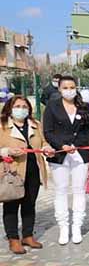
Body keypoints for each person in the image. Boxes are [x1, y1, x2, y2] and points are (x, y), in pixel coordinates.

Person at [43, 76, 89, 245]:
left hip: (80, 154)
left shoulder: (83, 106)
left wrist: (87, 151)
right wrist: (61, 145)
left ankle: (77, 226)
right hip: (60, 154)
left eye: (72, 87)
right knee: (61, 190)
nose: (69, 90)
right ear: (59, 89)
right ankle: (63, 228)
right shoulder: (52, 106)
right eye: (65, 87)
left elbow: (88, 132)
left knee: (79, 190)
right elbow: (48, 131)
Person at [0, 96, 54, 254]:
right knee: (11, 205)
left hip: (33, 169)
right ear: (10, 108)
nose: (21, 109)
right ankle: (13, 238)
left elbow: (43, 142)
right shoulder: (2, 126)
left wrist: (47, 148)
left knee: (30, 203)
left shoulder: (35, 125)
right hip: (13, 171)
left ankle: (28, 235)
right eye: (17, 106)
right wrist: (6, 151)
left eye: (24, 106)